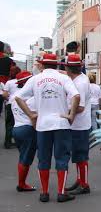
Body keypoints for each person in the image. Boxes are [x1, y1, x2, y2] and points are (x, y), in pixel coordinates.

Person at [14, 52, 80, 203]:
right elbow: (76, 96)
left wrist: (31, 115)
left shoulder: (35, 79)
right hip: (61, 123)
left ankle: (44, 193)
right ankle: (61, 192)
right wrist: (71, 116)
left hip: (43, 125)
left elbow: (18, 97)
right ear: (57, 65)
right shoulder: (64, 78)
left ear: (42, 65)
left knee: (43, 158)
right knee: (61, 158)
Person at [63, 55, 92, 196]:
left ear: (68, 68)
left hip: (79, 125)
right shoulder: (79, 78)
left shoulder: (80, 83)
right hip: (78, 124)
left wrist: (62, 113)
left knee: (80, 156)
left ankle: (84, 184)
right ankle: (80, 180)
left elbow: (79, 108)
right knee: (78, 156)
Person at [11, 71, 38, 192]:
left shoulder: (15, 96)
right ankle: (21, 184)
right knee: (26, 159)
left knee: (22, 156)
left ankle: (21, 182)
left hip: (16, 128)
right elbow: (35, 116)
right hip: (28, 129)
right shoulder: (31, 99)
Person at [2, 64, 21, 148]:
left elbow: (4, 94)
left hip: (10, 104)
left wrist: (8, 98)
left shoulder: (9, 82)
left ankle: (7, 142)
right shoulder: (21, 81)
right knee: (19, 123)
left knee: (9, 124)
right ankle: (18, 141)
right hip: (21, 104)